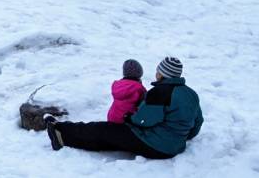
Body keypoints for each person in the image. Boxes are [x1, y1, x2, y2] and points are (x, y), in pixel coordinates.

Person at [47, 57, 204, 159]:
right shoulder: (191, 94)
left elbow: (143, 121)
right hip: (175, 145)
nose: (156, 73)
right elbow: (197, 123)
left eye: (158, 71)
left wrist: (130, 118)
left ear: (163, 74)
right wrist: (180, 137)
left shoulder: (160, 92)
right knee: (114, 138)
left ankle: (61, 132)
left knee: (104, 129)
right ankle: (73, 137)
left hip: (156, 145)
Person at [107, 59, 147, 124]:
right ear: (140, 73)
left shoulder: (117, 85)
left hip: (112, 117)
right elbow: (144, 105)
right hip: (126, 119)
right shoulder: (139, 88)